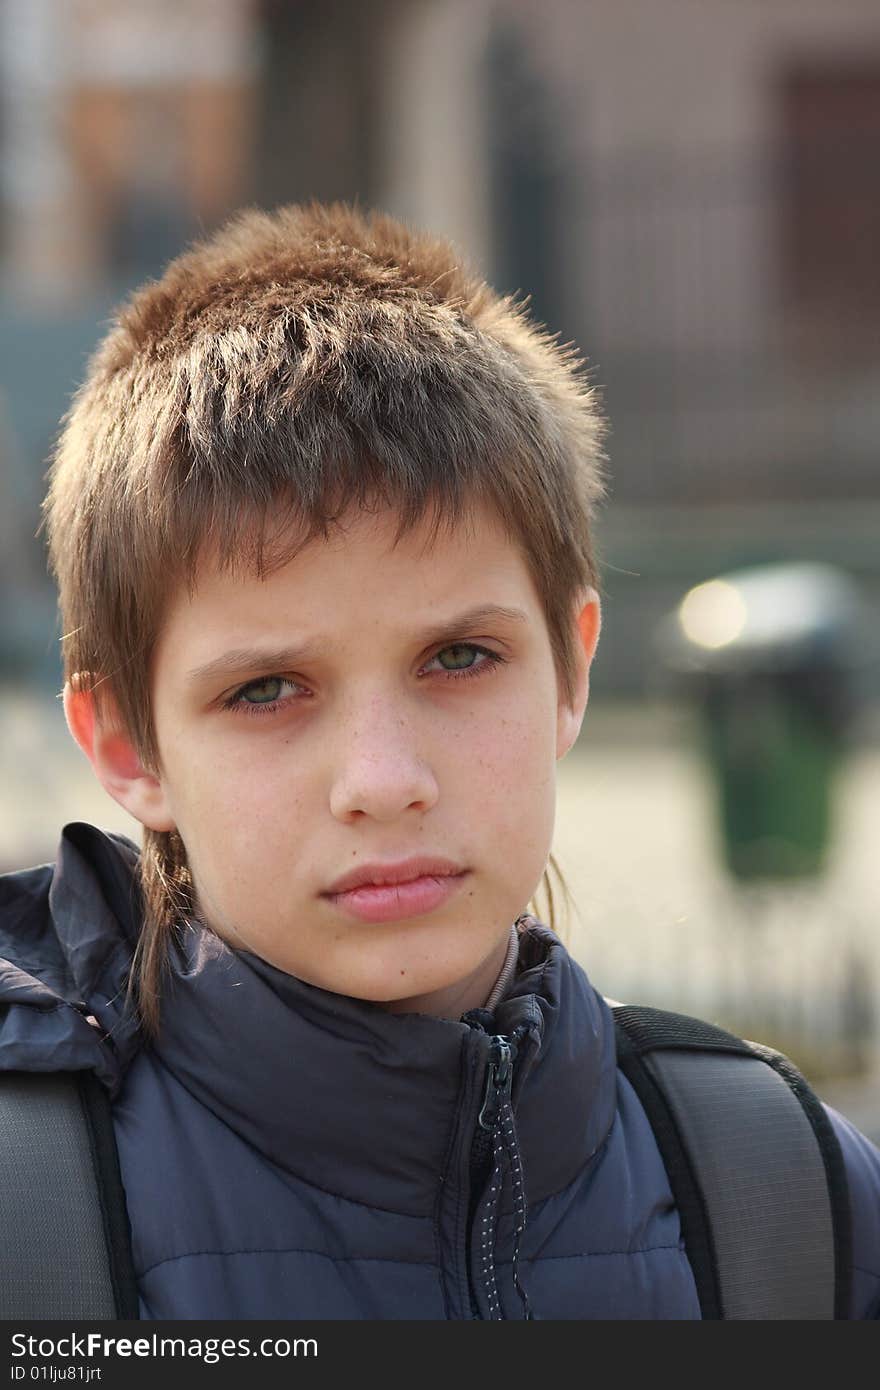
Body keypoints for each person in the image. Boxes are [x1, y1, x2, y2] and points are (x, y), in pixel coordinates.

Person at [1, 202, 878, 1321]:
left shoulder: (780, 1196)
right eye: (265, 690)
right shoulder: (31, 1218)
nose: (382, 779)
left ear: (569, 666)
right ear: (128, 743)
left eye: (458, 657)